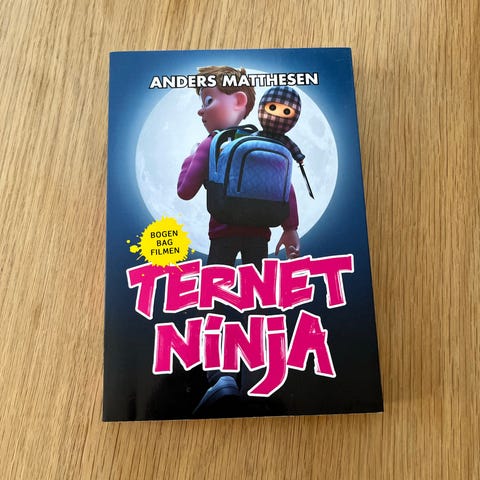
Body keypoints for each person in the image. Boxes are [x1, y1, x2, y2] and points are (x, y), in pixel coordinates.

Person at [177, 66, 300, 415]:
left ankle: (221, 377)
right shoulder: (269, 144)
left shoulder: (210, 144)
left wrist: (190, 159)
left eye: (208, 101)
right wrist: (290, 229)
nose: (201, 110)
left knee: (215, 304)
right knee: (258, 305)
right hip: (260, 239)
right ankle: (257, 376)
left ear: (240, 101)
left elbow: (184, 190)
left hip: (223, 239)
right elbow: (287, 190)